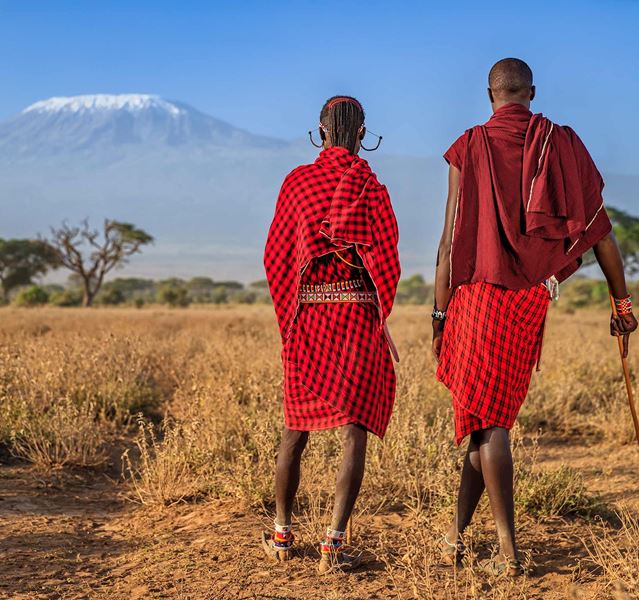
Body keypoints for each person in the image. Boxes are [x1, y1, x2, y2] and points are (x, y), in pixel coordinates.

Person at [433, 58, 637, 576]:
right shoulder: (561, 142)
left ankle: (508, 551)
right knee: (486, 424)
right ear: (532, 93)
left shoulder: (470, 146)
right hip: (528, 301)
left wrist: (439, 312)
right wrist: (622, 303)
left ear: (489, 95)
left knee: (491, 425)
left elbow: (450, 237)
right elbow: (599, 231)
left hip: (476, 298)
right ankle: (456, 537)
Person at [262, 95, 400, 573]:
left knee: (294, 432)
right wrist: (379, 318)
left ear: (320, 130)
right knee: (353, 435)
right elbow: (385, 262)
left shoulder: (298, 183)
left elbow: (277, 257)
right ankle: (333, 545)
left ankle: (281, 535)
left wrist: (291, 319)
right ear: (362, 133)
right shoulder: (373, 189)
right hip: (360, 321)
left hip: (310, 322)